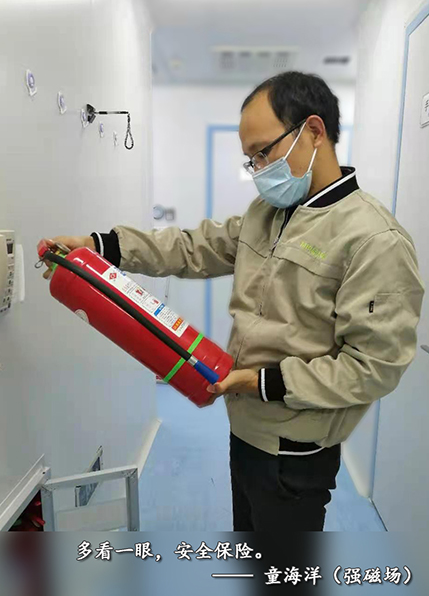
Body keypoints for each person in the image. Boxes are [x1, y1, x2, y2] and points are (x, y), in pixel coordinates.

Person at [42, 72, 425, 531]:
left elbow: (374, 367)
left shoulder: (374, 240)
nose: (259, 169)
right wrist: (101, 246)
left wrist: (262, 382)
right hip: (244, 428)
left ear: (314, 131)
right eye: (250, 159)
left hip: (294, 451)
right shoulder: (268, 213)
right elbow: (193, 247)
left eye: (264, 152)